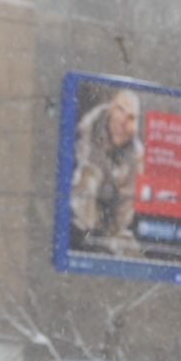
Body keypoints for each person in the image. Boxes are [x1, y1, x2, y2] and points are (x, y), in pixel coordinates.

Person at [67, 87, 143, 251]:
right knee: (89, 176)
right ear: (111, 110)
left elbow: (127, 199)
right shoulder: (87, 128)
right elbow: (80, 166)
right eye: (120, 115)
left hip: (107, 213)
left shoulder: (135, 153)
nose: (122, 126)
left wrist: (111, 232)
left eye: (130, 119)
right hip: (76, 212)